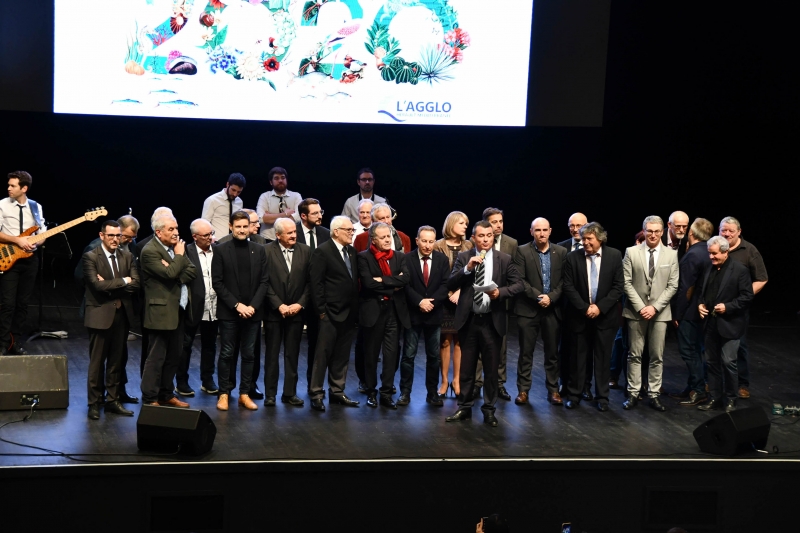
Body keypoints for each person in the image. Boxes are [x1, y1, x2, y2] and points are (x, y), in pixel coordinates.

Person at [445, 220, 523, 427]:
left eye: (489, 236)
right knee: (467, 369)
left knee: (491, 369)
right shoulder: (464, 257)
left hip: (492, 321)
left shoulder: (504, 259)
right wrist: (467, 270)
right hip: (469, 321)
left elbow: (519, 284)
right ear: (474, 238)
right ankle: (464, 407)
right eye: (481, 236)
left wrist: (500, 293)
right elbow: (450, 283)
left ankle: (489, 409)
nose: (486, 239)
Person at [562, 222, 624, 411]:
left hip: (605, 317)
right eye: (583, 239)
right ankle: (574, 394)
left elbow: (618, 286)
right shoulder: (573, 257)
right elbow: (568, 286)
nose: (585, 242)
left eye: (589, 239)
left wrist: (599, 308)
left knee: (603, 359)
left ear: (600, 239)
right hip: (580, 316)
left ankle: (602, 397)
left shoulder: (614, 255)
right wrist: (585, 308)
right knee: (578, 358)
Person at [212, 210, 270, 411]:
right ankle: (224, 393)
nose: (242, 230)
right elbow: (217, 283)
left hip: (253, 312)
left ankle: (244, 394)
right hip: (230, 312)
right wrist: (238, 306)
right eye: (238, 227)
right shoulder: (220, 249)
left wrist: (252, 306)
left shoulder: (259, 249)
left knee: (249, 355)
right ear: (231, 227)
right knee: (227, 353)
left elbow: (264, 281)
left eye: (245, 226)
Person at [82, 220, 139, 420]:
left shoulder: (127, 256)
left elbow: (136, 284)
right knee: (97, 362)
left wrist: (109, 284)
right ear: (102, 236)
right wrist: (124, 281)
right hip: (99, 314)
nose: (116, 239)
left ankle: (112, 400)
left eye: (118, 235)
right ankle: (94, 403)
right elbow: (96, 287)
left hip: (121, 314)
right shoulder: (90, 257)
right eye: (111, 235)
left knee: (116, 361)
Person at [621, 216, 679, 412]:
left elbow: (673, 285)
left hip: (660, 313)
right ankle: (633, 393)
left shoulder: (671, 255)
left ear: (662, 232)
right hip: (636, 312)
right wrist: (640, 307)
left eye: (656, 231)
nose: (653, 234)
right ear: (643, 231)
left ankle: (654, 394)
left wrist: (654, 307)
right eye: (649, 231)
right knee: (634, 355)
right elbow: (626, 282)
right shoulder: (631, 252)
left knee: (657, 356)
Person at [140, 213, 197, 408]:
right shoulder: (150, 251)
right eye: (171, 229)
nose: (176, 233)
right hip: (160, 312)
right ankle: (150, 398)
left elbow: (191, 271)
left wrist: (175, 269)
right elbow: (169, 273)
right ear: (158, 232)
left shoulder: (174, 248)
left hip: (178, 310)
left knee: (174, 356)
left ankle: (166, 394)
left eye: (177, 229)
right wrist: (178, 258)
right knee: (156, 358)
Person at [308, 216, 361, 411]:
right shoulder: (322, 251)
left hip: (349, 313)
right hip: (329, 313)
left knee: (342, 355)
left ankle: (337, 391)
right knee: (322, 355)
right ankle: (316, 392)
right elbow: (316, 284)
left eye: (352, 230)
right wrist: (321, 311)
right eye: (348, 230)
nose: (351, 233)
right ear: (336, 231)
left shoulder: (352, 252)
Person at [513, 217, 568, 406]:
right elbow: (520, 280)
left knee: (552, 354)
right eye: (538, 230)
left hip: (552, 310)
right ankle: (523, 390)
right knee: (525, 353)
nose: (542, 234)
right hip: (528, 309)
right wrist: (539, 297)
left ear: (550, 231)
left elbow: (564, 281)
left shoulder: (561, 252)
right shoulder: (521, 251)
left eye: (545, 230)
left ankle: (553, 390)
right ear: (531, 232)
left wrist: (551, 297)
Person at [697, 236, 754, 412]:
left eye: (715, 254)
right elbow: (702, 291)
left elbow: (747, 296)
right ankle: (714, 397)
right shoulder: (709, 267)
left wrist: (728, 307)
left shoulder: (740, 270)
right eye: (710, 254)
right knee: (712, 362)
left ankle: (731, 398)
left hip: (730, 324)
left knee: (728, 361)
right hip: (710, 324)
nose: (711, 257)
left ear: (725, 251)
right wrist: (700, 304)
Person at [357, 222, 410, 409]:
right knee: (371, 354)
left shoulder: (399, 257)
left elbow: (405, 279)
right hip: (373, 312)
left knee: (391, 354)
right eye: (383, 237)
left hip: (394, 311)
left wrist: (382, 280)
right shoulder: (364, 258)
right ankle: (371, 391)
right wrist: (392, 283)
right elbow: (368, 284)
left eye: (389, 236)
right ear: (373, 239)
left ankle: (386, 393)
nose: (388, 240)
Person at [398, 226, 450, 406]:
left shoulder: (442, 259)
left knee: (434, 356)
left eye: (431, 241)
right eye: (424, 241)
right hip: (414, 314)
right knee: (408, 355)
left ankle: (432, 393)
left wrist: (431, 303)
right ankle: (405, 393)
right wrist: (420, 301)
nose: (428, 245)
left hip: (434, 314)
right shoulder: (407, 259)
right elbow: (405, 285)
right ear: (417, 240)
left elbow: (445, 285)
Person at [263, 218, 310, 407]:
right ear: (277, 235)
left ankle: (289, 393)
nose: (293, 235)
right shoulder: (266, 252)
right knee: (272, 354)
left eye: (294, 232)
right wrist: (278, 304)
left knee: (293, 353)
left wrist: (300, 304)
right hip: (274, 313)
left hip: (296, 312)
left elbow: (310, 282)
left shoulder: (306, 251)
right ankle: (270, 394)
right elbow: (263, 281)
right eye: (289, 233)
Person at [719, 216, 767, 399]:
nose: (727, 233)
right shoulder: (715, 247)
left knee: (740, 345)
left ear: (739, 232)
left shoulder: (749, 250)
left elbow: (762, 278)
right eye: (724, 230)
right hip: (716, 306)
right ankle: (713, 382)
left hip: (738, 308)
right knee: (710, 346)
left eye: (731, 230)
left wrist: (744, 297)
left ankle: (742, 384)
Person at [474, 207, 519, 401]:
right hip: (478, 302)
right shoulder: (475, 242)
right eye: (494, 222)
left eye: (501, 221)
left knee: (500, 348)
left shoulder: (511, 243)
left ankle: (499, 384)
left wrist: (501, 293)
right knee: (476, 346)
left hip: (500, 302)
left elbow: (515, 276)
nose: (498, 225)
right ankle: (477, 384)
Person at [669, 217, 713, 406]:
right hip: (702, 310)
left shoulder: (693, 255)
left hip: (689, 312)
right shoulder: (707, 251)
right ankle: (692, 386)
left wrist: (677, 314)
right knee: (696, 349)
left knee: (689, 351)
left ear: (691, 234)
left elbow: (686, 288)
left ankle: (698, 389)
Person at [0, 171, 45, 356]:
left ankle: (15, 341)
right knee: (7, 303)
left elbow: (42, 233)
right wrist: (17, 241)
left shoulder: (35, 207)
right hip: (8, 257)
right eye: (9, 185)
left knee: (23, 304)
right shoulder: (2, 204)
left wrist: (36, 243)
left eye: (13, 186)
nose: (9, 188)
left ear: (24, 188)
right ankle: (2, 342)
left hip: (29, 260)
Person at [432, 211, 473, 398]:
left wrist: (459, 291)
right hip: (445, 300)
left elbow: (471, 272)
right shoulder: (439, 245)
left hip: (462, 298)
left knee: (459, 341)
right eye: (462, 223)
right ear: (452, 224)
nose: (465, 226)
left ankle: (456, 380)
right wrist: (449, 292)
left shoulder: (469, 245)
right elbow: (440, 273)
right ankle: (444, 380)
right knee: (445, 341)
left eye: (466, 223)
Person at [179, 218, 219, 396]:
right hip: (193, 307)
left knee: (210, 344)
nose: (210, 238)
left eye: (211, 233)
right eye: (206, 235)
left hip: (214, 306)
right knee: (185, 344)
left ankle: (208, 380)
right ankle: (181, 381)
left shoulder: (218, 251)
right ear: (195, 237)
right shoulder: (185, 252)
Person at [556, 212, 588, 396]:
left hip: (587, 306)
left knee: (585, 348)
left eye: (579, 225)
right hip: (565, 306)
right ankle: (563, 383)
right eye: (572, 225)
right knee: (564, 348)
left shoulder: (594, 246)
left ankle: (585, 385)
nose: (575, 229)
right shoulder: (561, 248)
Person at [256, 167, 302, 242]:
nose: (280, 180)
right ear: (271, 182)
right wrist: (286, 214)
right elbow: (260, 219)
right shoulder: (264, 196)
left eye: (283, 178)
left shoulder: (296, 196)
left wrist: (270, 217)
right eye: (276, 178)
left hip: (290, 238)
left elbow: (299, 217)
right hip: (267, 238)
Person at [201, 173, 246, 238]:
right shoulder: (212, 200)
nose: (235, 194)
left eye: (239, 192)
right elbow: (204, 222)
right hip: (217, 241)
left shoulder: (239, 201)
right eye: (233, 190)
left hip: (234, 240)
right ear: (227, 184)